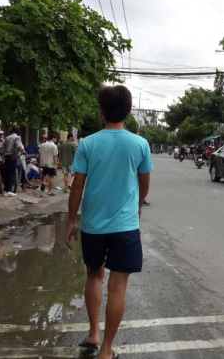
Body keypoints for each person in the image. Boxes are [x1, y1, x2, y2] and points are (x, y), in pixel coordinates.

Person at [65, 85, 153, 359]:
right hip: (125, 227)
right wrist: (137, 205)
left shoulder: (88, 143)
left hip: (93, 226)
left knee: (94, 275)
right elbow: (144, 183)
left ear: (101, 110)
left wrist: (71, 221)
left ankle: (93, 333)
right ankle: (106, 350)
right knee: (118, 286)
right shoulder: (140, 144)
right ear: (128, 112)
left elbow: (77, 186)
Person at [2, 126, 23, 197]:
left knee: (7, 173)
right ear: (18, 131)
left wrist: (3, 157)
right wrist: (15, 154)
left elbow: (3, 147)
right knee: (12, 174)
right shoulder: (17, 137)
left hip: (6, 156)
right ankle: (9, 190)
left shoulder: (7, 137)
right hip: (12, 156)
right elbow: (18, 147)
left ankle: (5, 190)